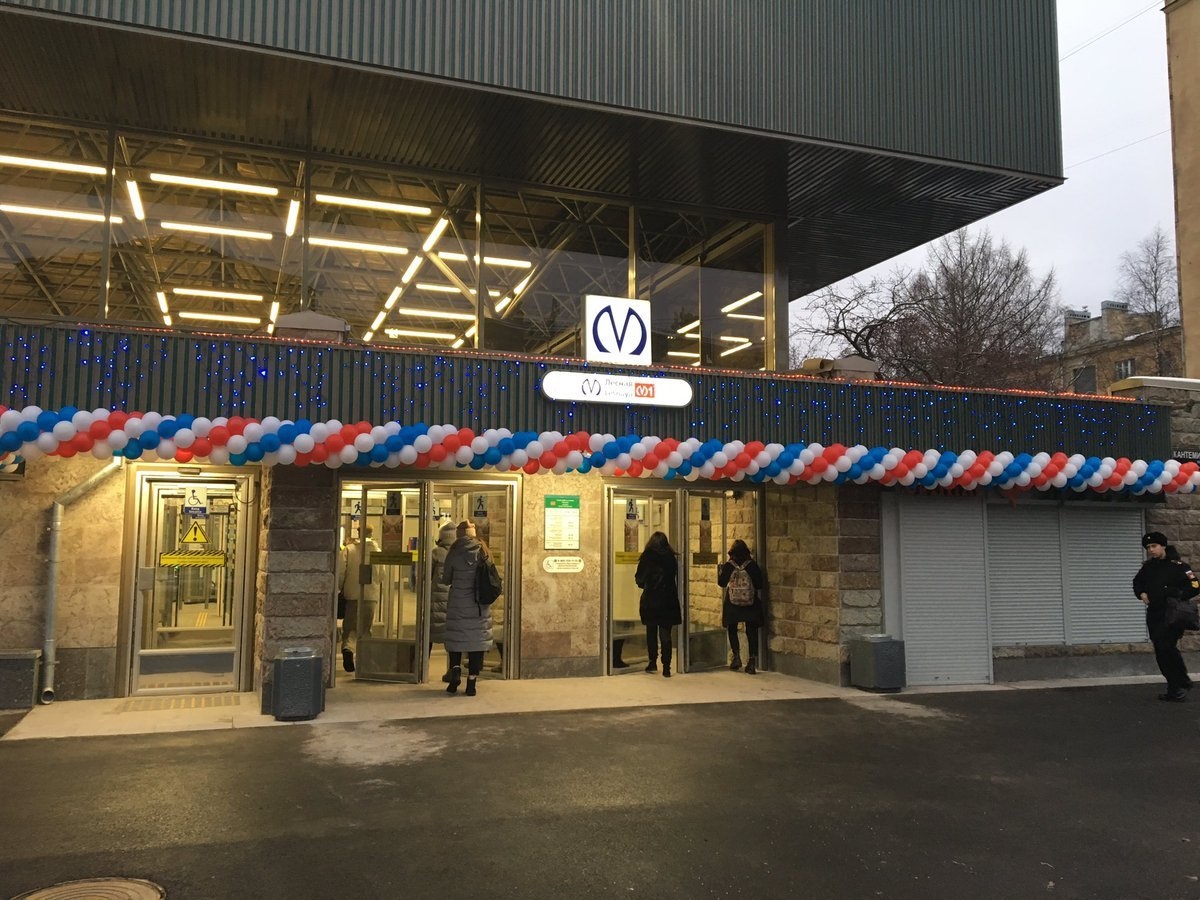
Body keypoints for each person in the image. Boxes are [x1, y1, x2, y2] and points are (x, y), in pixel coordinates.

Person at [1132, 530, 1198, 702]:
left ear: (1163, 546)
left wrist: (1177, 593)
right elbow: (1137, 582)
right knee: (1161, 652)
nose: (1151, 550)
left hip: (1172, 614)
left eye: (1154, 546)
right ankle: (1175, 687)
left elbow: (1195, 586)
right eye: (1148, 547)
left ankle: (1180, 683)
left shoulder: (1179, 566)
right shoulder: (1148, 567)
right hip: (1155, 613)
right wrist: (1142, 593)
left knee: (1166, 646)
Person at [440, 520, 495, 696]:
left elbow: (446, 579)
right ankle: (471, 683)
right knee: (476, 643)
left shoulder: (454, 552)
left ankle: (455, 671)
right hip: (479, 605)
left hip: (458, 604)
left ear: (459, 535)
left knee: (456, 640)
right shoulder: (484, 551)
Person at [635, 531, 681, 677]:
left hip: (651, 600)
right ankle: (666, 666)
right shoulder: (671, 558)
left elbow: (639, 579)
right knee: (666, 634)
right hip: (668, 600)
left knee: (651, 632)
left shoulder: (647, 557)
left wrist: (647, 585)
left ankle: (652, 662)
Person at [337, 523, 382, 673]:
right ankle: (364, 660)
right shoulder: (377, 551)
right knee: (366, 628)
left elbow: (341, 572)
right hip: (371, 595)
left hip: (352, 594)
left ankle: (348, 649)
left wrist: (341, 588)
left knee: (350, 627)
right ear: (372, 533)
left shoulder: (349, 550)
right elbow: (381, 575)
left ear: (358, 532)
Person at [717, 539, 765, 674]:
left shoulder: (729, 565)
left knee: (732, 628)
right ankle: (752, 661)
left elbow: (721, 583)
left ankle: (736, 656)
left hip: (732, 603)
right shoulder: (752, 565)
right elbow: (759, 584)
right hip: (750, 603)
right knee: (751, 630)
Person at [429, 520, 457, 682]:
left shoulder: (436, 553)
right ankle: (453, 669)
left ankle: (421, 668)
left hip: (435, 601)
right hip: (453, 601)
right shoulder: (458, 553)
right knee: (452, 638)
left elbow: (424, 576)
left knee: (429, 635)